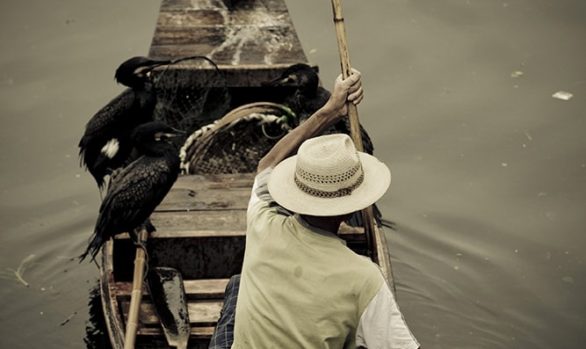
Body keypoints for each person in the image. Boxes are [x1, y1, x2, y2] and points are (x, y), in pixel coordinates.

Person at [209, 69, 419, 349]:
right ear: (349, 209)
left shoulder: (263, 222)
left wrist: (330, 110)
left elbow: (266, 165)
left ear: (296, 192)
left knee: (237, 284)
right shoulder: (364, 278)